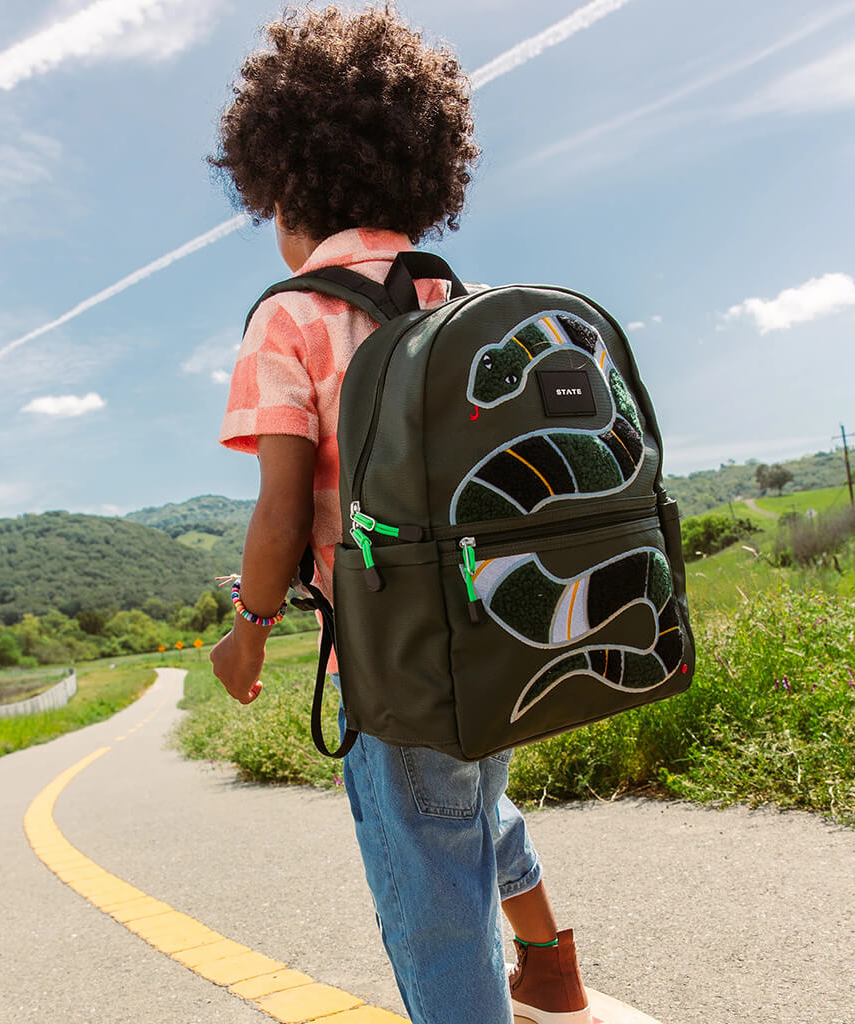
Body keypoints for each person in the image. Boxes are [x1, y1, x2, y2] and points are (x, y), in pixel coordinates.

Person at [209, 6, 591, 1023]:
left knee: (428, 895)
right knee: (464, 805)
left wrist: (247, 632)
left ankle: (515, 982)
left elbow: (283, 508)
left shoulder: (288, 313)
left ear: (280, 184)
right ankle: (549, 962)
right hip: (497, 630)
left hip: (391, 658)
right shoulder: (455, 299)